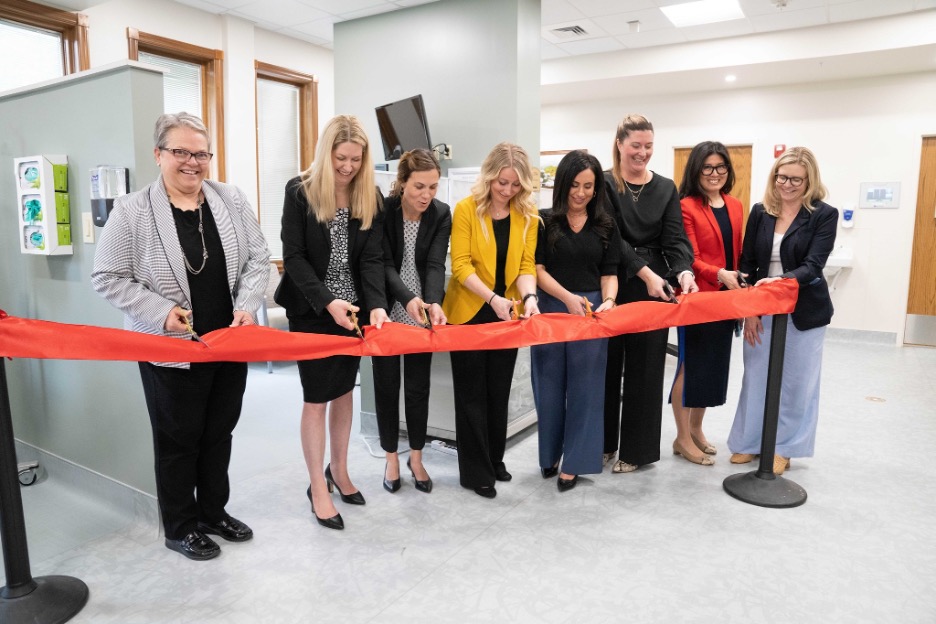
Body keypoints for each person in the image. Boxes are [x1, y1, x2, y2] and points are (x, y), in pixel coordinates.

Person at [92, 112, 270, 560]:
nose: (193, 162)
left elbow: (259, 258)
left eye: (201, 153)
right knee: (178, 440)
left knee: (219, 433)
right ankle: (180, 525)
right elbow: (108, 277)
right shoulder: (131, 211)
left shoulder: (229, 198)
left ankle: (213, 512)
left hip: (227, 344)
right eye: (181, 152)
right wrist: (162, 312)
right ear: (159, 155)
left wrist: (246, 306)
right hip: (168, 350)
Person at [274, 115, 388, 530]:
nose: (348, 167)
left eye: (356, 159)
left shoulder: (368, 194)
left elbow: (372, 259)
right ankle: (316, 488)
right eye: (341, 158)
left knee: (343, 392)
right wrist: (327, 302)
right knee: (316, 396)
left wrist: (375, 306)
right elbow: (295, 257)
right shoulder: (299, 191)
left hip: (353, 312)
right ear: (327, 154)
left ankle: (338, 471)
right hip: (311, 310)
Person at [727, 147, 837, 475]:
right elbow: (747, 262)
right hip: (760, 307)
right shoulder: (761, 211)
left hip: (804, 310)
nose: (787, 184)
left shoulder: (823, 214)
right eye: (782, 177)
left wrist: (775, 286)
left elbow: (813, 266)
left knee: (797, 381)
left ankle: (784, 448)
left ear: (810, 181)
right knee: (756, 376)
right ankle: (749, 443)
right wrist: (749, 308)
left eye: (796, 180)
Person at [443, 142, 540, 499]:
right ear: (489, 177)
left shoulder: (527, 216)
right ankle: (475, 472)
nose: (508, 190)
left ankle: (494, 459)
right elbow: (461, 266)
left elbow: (527, 266)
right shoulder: (467, 210)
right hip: (469, 312)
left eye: (515, 185)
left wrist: (528, 297)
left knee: (497, 392)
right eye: (502, 182)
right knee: (471, 395)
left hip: (507, 314)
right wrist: (494, 298)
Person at [602, 114, 699, 474]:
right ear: (620, 145)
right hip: (615, 281)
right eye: (635, 146)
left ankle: (637, 452)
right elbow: (611, 237)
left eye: (648, 146)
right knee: (608, 367)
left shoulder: (665, 188)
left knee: (646, 369)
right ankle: (604, 444)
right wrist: (644, 273)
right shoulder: (605, 184)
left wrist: (684, 270)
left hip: (656, 287)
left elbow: (675, 238)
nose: (642, 153)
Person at [531, 150, 620, 492]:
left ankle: (576, 462)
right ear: (563, 184)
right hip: (552, 306)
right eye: (575, 185)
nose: (581, 193)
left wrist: (609, 300)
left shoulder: (606, 226)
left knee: (587, 388)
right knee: (548, 386)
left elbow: (609, 273)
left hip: (592, 312)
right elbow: (537, 270)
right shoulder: (543, 221)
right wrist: (567, 298)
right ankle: (549, 455)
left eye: (589, 186)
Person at [373, 149, 451, 494]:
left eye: (433, 187)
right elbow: (384, 264)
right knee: (387, 387)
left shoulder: (440, 214)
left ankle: (416, 458)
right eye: (419, 186)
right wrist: (408, 300)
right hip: (387, 311)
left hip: (422, 315)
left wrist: (433, 303)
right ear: (401, 182)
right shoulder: (382, 211)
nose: (426, 195)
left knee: (419, 388)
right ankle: (391, 457)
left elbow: (436, 265)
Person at [669, 141, 745, 466]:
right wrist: (721, 275)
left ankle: (697, 430)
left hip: (727, 301)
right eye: (707, 168)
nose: (715, 173)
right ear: (697, 171)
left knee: (712, 368)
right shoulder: (686, 206)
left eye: (720, 167)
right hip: (700, 298)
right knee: (690, 366)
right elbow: (692, 258)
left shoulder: (736, 205)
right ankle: (681, 437)